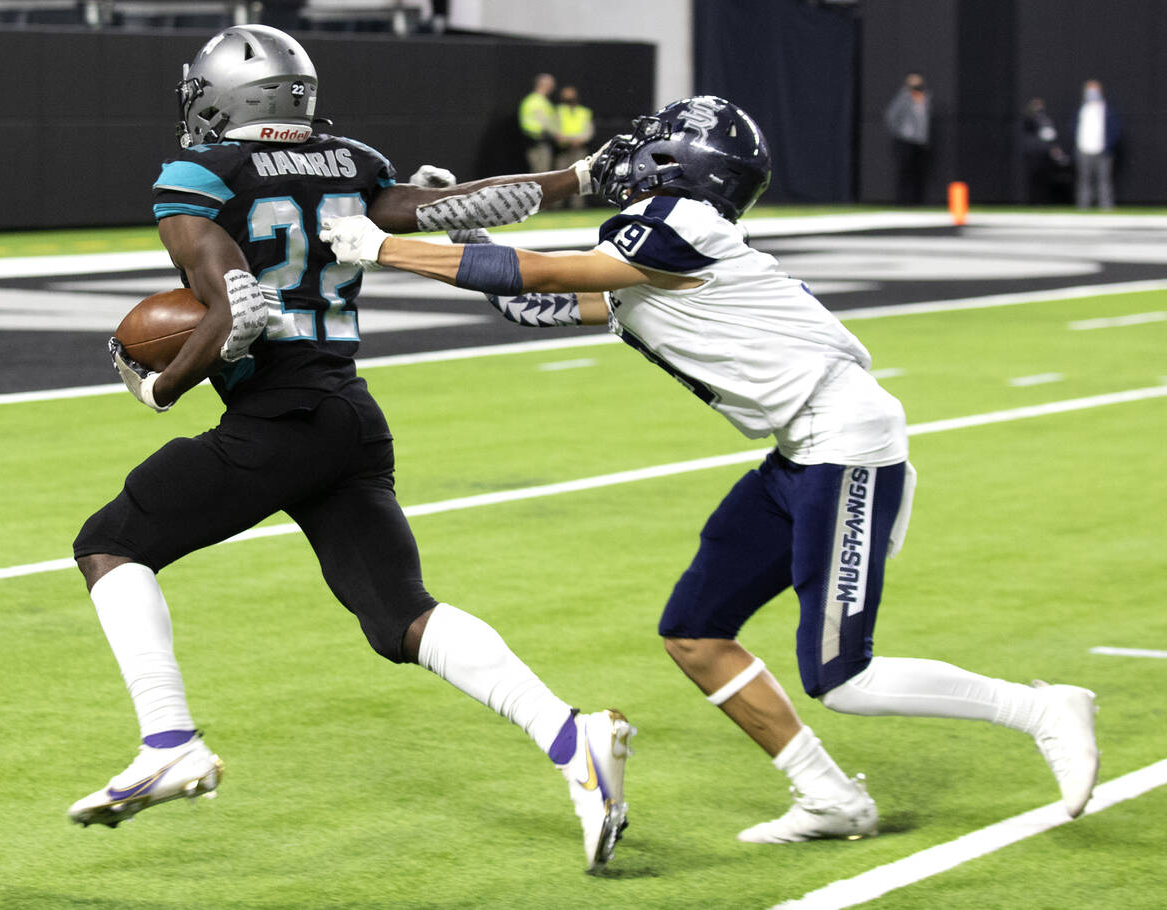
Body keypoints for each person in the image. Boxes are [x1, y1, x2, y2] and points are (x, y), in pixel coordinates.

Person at [321, 95, 1101, 843]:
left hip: (846, 440)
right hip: (800, 448)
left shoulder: (676, 225)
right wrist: (437, 247)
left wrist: (388, 245)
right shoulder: (651, 247)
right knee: (696, 633)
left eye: (650, 147)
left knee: (844, 677)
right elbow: (538, 300)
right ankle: (830, 794)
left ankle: (1044, 710)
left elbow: (549, 275)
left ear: (680, 164)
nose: (630, 159)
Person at [68, 24, 635, 873]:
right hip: (347, 415)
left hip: (279, 417)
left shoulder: (197, 176)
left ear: (224, 95)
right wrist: (575, 176)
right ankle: (572, 738)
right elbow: (460, 205)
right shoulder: (351, 161)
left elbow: (233, 313)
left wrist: (158, 385)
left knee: (110, 543)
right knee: (400, 615)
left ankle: (170, 742)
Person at [1071, 79, 1120, 210]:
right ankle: (1083, 207)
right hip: (1083, 149)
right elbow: (1074, 128)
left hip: (1102, 151)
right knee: (1084, 180)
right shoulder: (1082, 109)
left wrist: (1108, 146)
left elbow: (1114, 130)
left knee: (1104, 180)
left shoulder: (1107, 110)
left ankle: (1106, 207)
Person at [884, 72, 932, 205]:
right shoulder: (903, 97)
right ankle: (902, 201)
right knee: (904, 171)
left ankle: (917, 201)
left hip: (920, 141)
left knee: (918, 172)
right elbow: (891, 116)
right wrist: (902, 133)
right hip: (906, 141)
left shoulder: (925, 98)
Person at [1021, 97, 1071, 205]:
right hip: (1034, 154)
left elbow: (1051, 137)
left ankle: (1043, 202)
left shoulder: (1046, 120)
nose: (1038, 108)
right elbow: (1030, 136)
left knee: (1044, 180)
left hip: (1045, 154)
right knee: (1034, 180)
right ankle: (1033, 202)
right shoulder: (1029, 119)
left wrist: (1053, 149)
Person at [553, 86, 595, 209]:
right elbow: (554, 129)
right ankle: (557, 206)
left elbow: (589, 131)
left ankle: (577, 206)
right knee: (559, 178)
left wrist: (579, 140)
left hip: (579, 149)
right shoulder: (558, 111)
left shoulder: (584, 112)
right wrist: (566, 139)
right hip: (563, 149)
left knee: (580, 178)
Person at [519, 73, 558, 174]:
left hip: (536, 142)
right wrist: (557, 134)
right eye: (551, 85)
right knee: (540, 173)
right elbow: (544, 123)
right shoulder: (537, 102)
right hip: (538, 142)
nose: (553, 88)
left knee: (539, 172)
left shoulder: (534, 100)